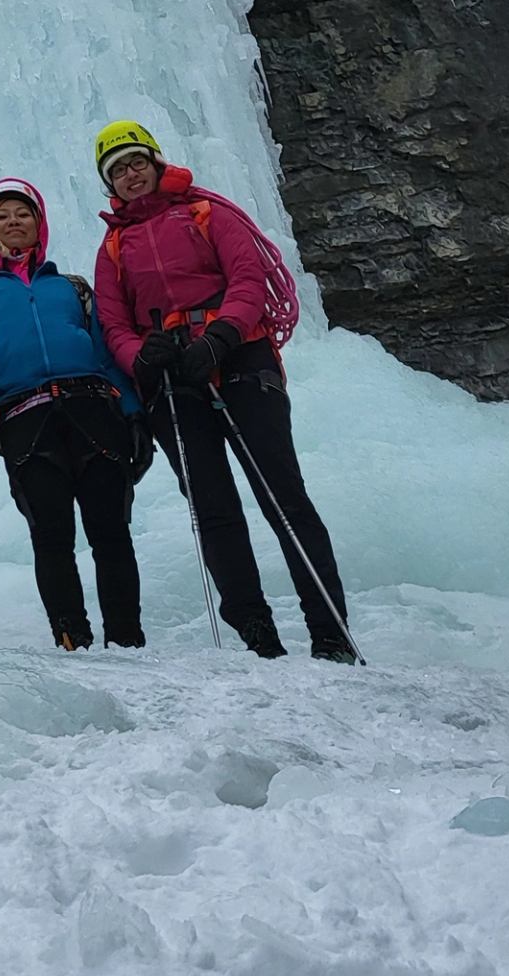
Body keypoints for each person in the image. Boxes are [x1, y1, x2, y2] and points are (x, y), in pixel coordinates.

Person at [91, 119, 355, 662]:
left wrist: (222, 335)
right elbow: (112, 322)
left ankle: (330, 632)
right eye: (118, 170)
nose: (131, 174)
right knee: (212, 507)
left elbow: (247, 279)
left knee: (281, 494)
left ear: (156, 163)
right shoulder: (113, 247)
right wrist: (141, 358)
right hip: (170, 375)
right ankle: (257, 634)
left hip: (240, 356)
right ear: (109, 184)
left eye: (137, 162)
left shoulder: (208, 213)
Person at [0, 177, 145, 653]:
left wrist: (134, 413)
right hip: (25, 418)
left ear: (40, 223)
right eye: (3, 217)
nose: (14, 223)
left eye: (23, 214)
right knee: (51, 534)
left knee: (110, 530)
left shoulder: (73, 288)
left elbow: (106, 354)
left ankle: (127, 638)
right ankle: (72, 634)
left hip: (93, 407)